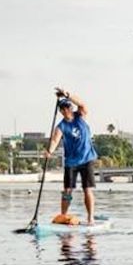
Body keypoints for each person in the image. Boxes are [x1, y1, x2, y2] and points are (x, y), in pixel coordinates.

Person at [44, 89, 98, 225]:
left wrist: (67, 94)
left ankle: (90, 218)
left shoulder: (80, 115)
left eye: (68, 106)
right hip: (71, 162)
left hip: (87, 159)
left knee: (87, 189)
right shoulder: (61, 126)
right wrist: (49, 151)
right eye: (64, 108)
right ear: (61, 111)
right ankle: (63, 216)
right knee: (67, 190)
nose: (67, 109)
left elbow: (82, 104)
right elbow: (55, 140)